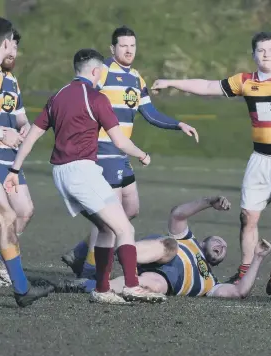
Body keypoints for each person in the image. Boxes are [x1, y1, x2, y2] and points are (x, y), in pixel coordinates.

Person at [150, 31, 271, 299]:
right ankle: (245, 269)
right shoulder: (246, 81)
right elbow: (209, 86)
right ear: (254, 54)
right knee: (248, 218)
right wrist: (170, 82)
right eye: (261, 50)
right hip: (261, 159)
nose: (266, 54)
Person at [4, 48, 167, 305]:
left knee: (106, 229)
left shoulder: (56, 96)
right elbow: (120, 141)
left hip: (61, 173)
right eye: (101, 71)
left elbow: (32, 136)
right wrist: (143, 155)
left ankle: (102, 289)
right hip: (81, 171)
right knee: (126, 227)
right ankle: (132, 286)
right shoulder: (97, 97)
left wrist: (14, 169)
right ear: (95, 71)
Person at [61, 26, 198, 280]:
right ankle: (91, 269)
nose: (128, 50)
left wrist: (178, 124)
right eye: (123, 46)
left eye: (132, 46)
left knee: (131, 209)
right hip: (102, 152)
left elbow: (150, 113)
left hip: (122, 153)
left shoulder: (136, 78)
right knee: (109, 216)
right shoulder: (102, 72)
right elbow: (78, 95)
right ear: (112, 48)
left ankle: (81, 252)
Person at [56, 196, 271, 300]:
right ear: (203, 242)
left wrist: (258, 257)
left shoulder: (210, 283)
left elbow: (239, 290)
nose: (221, 245)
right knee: (170, 246)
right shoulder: (188, 240)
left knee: (158, 286)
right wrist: (209, 202)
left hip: (161, 278)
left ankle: (91, 285)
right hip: (157, 251)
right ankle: (113, 255)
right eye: (218, 241)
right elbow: (178, 213)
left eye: (223, 249)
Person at [0, 28, 34, 287]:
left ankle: (4, 261)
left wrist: (24, 126)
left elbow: (19, 114)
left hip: (9, 160)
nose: (13, 52)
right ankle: (20, 285)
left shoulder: (10, 80)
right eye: (8, 46)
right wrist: (2, 132)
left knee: (24, 211)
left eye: (16, 47)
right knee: (6, 215)